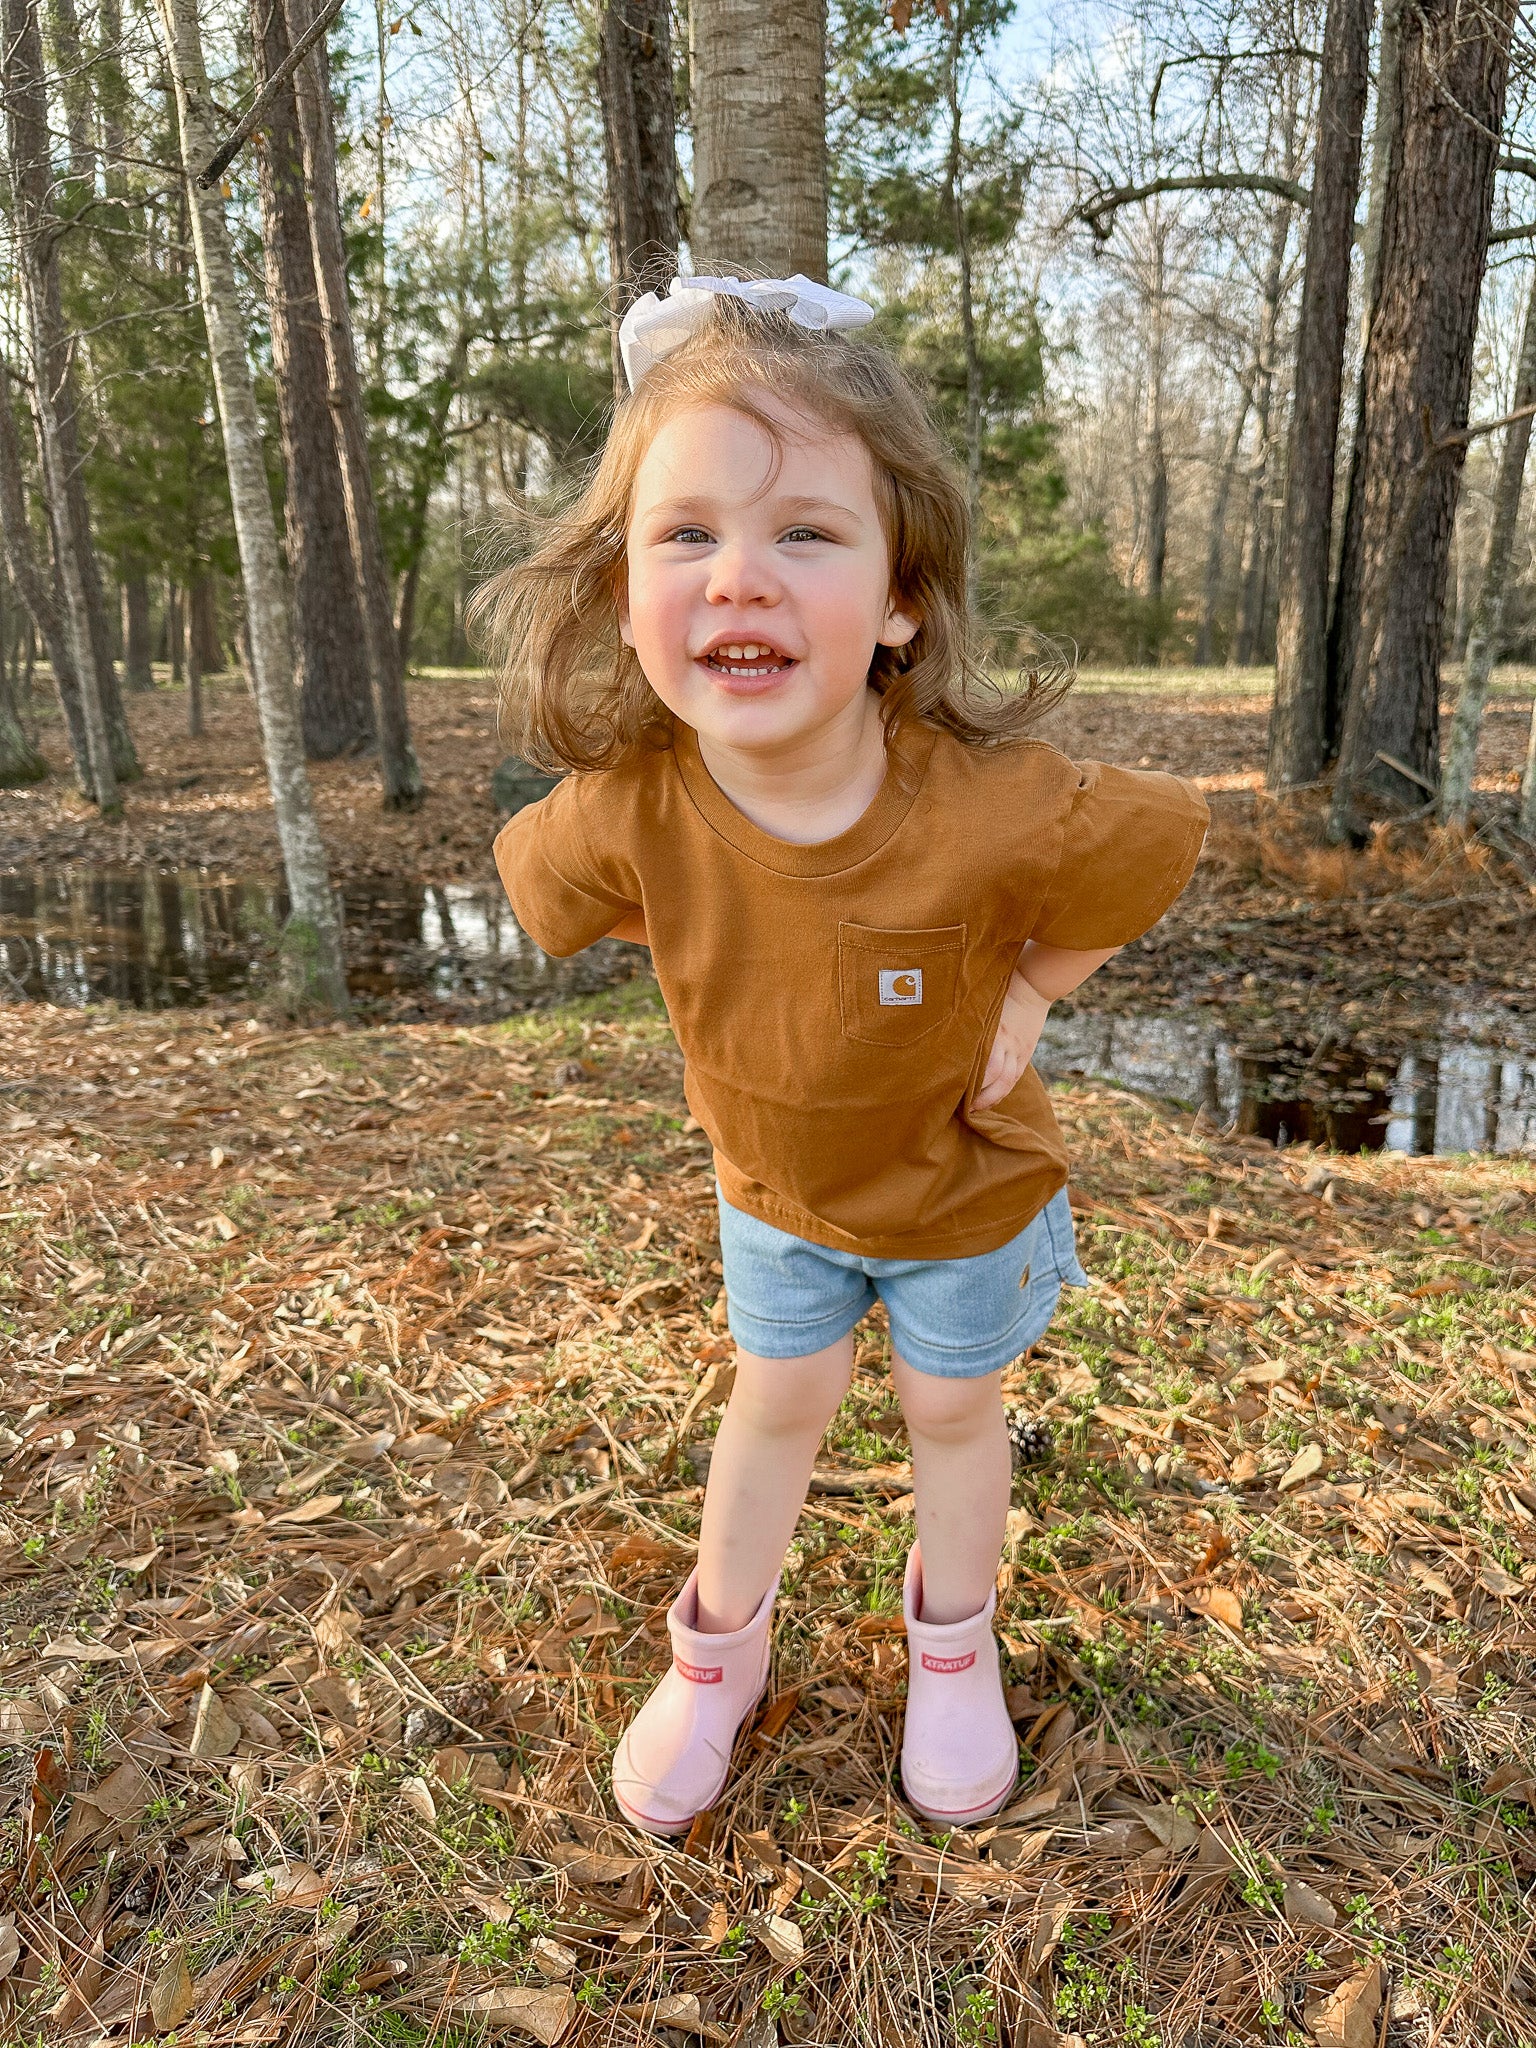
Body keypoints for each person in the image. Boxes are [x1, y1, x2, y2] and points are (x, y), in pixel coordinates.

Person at [479, 274, 1207, 1838]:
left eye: (805, 532)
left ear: (899, 598)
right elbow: (542, 891)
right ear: (625, 595)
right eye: (688, 536)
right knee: (777, 1397)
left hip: (966, 1196)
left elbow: (1156, 844)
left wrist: (1031, 995)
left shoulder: (990, 801)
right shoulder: (635, 804)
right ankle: (718, 1656)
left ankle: (953, 1648)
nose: (741, 577)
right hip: (777, 1195)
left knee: (953, 1415)